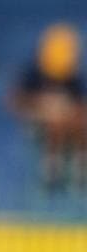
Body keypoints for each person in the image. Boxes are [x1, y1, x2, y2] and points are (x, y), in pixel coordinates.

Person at [10, 22, 86, 192]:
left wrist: (67, 110)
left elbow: (81, 105)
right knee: (55, 119)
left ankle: (80, 167)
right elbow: (14, 101)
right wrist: (42, 104)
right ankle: (52, 170)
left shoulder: (73, 78)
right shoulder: (33, 73)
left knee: (77, 119)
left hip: (68, 125)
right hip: (37, 123)